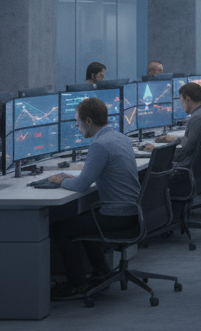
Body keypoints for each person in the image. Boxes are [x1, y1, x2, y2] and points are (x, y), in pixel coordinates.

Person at [46, 96, 140, 298]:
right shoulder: (120, 137)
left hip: (117, 216)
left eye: (78, 121)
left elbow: (81, 185)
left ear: (89, 121)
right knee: (87, 216)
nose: (76, 126)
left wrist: (60, 180)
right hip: (132, 212)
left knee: (59, 229)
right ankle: (101, 270)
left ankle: (78, 284)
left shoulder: (100, 145)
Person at [143, 82, 201, 169]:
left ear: (187, 99)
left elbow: (183, 153)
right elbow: (195, 142)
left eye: (181, 100)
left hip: (187, 170)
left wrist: (156, 151)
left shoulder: (196, 119)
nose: (181, 104)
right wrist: (177, 139)